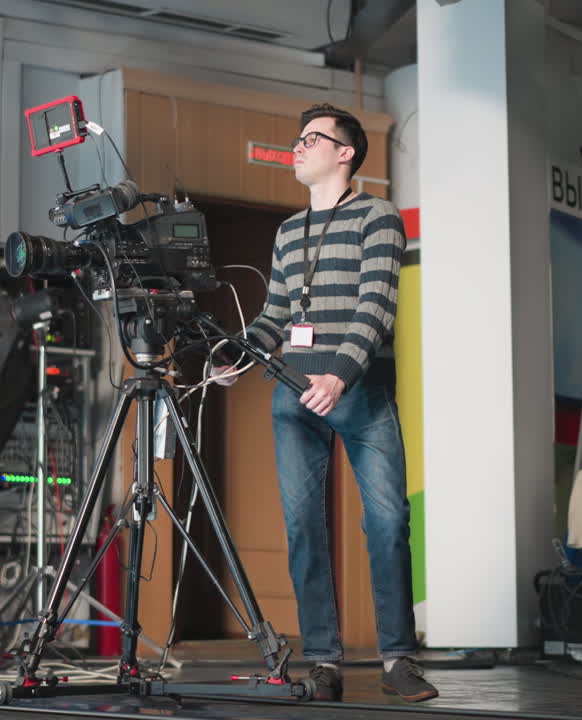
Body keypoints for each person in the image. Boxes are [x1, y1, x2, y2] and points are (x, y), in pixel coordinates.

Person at [213, 103, 438, 703]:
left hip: (358, 391)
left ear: (345, 153)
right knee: (303, 528)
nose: (298, 145)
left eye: (312, 138)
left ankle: (397, 659)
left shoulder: (378, 216)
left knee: (388, 522)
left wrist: (340, 375)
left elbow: (376, 307)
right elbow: (277, 315)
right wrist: (240, 353)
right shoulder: (288, 232)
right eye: (297, 137)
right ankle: (323, 661)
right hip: (292, 394)